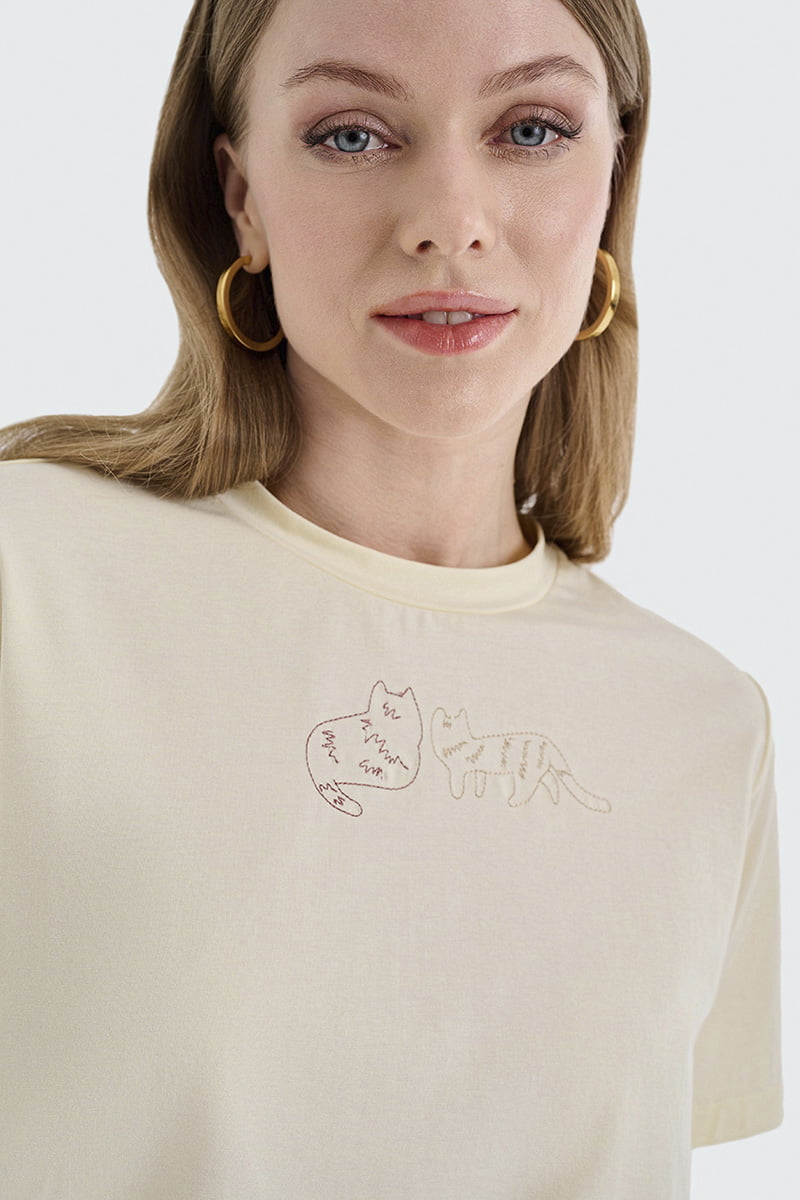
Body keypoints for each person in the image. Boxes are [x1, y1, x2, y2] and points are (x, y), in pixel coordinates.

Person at [0, 0, 783, 1196]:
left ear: (613, 179)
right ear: (239, 196)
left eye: (530, 129)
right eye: (352, 135)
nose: (448, 223)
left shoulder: (704, 724)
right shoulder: (30, 581)